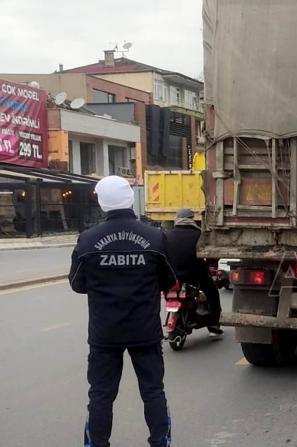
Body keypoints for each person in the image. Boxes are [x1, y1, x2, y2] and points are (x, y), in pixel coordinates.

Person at [69, 176, 174, 447]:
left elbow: (77, 284)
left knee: (101, 395)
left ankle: (97, 443)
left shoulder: (87, 240)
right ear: (129, 199)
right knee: (153, 391)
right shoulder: (155, 237)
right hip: (145, 330)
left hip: (105, 333)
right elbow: (169, 280)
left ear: (102, 202)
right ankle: (160, 442)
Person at [165, 208, 223, 335]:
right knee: (212, 292)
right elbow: (210, 254)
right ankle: (214, 322)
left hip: (172, 277)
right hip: (195, 275)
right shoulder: (199, 235)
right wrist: (209, 263)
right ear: (191, 219)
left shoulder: (167, 235)